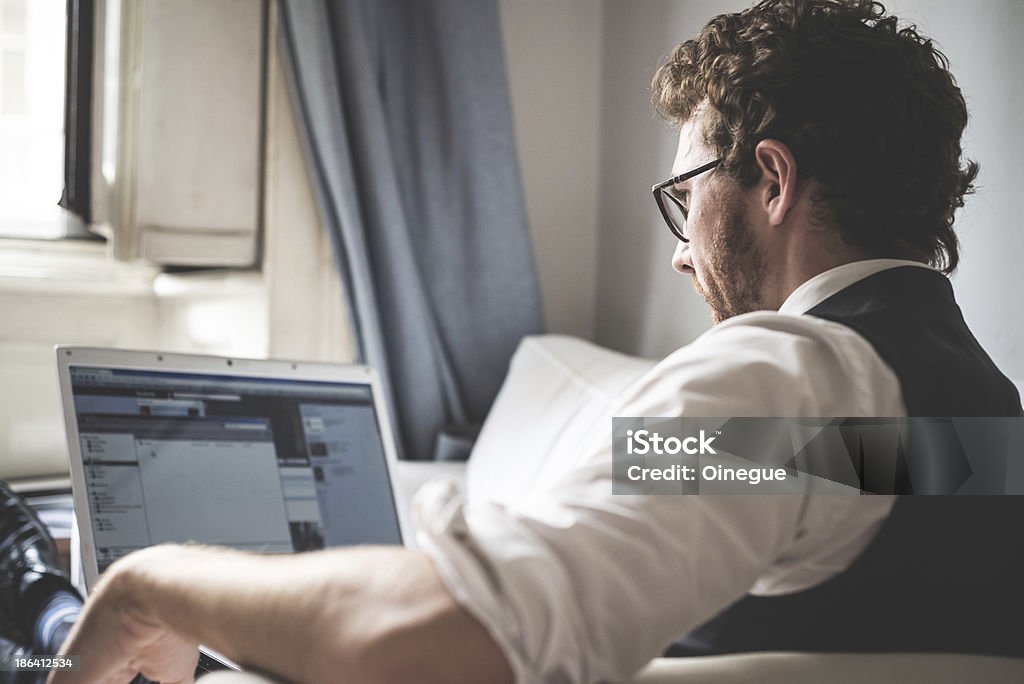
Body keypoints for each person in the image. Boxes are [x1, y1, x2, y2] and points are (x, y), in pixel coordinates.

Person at [44, 0, 1023, 682]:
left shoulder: (786, 381)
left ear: (769, 180)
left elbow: (419, 647)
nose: (682, 257)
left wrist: (147, 584)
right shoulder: (981, 413)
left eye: (686, 201)